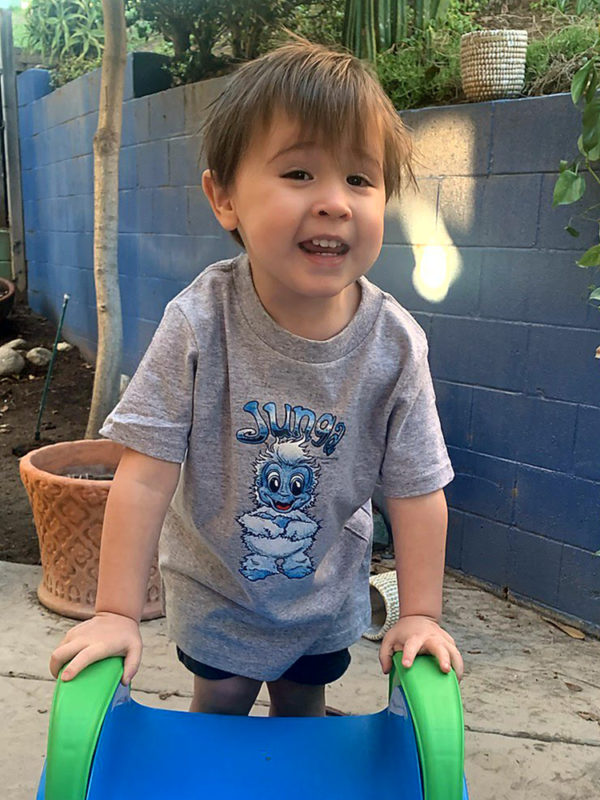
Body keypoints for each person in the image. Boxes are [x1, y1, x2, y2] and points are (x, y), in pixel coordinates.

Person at [50, 38, 464, 717]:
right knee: (219, 710)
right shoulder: (198, 322)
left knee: (302, 715)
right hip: (217, 589)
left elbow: (417, 491)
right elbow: (145, 474)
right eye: (299, 172)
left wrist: (420, 614)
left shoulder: (394, 346)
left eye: (360, 180)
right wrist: (115, 613)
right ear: (225, 197)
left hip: (323, 588)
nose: (335, 202)